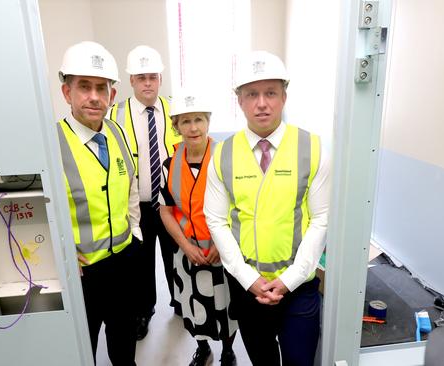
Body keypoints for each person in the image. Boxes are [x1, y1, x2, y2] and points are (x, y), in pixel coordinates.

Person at [204, 51, 331, 366]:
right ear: (240, 101)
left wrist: (290, 279)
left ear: (284, 96)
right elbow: (216, 220)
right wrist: (248, 279)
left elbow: (321, 219)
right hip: (248, 287)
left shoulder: (312, 148)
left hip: (298, 288)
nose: (262, 102)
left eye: (271, 92)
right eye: (252, 94)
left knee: (299, 362)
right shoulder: (223, 155)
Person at [56, 41, 141, 366]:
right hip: (81, 271)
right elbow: (44, 207)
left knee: (123, 342)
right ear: (67, 93)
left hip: (122, 260)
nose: (94, 96)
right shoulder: (52, 142)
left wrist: (134, 230)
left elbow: (131, 186)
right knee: (83, 346)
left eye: (101, 88)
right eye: (84, 87)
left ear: (112, 95)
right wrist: (62, 252)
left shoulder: (117, 132)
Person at [158, 90, 239, 366]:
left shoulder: (226, 159)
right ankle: (202, 348)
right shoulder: (169, 165)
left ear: (208, 122)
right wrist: (185, 246)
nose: (193, 127)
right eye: (186, 121)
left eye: (199, 120)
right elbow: (166, 211)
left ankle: (228, 350)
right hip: (188, 253)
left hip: (222, 251)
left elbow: (240, 208)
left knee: (226, 306)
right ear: (176, 126)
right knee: (193, 305)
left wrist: (221, 245)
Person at [110, 45, 182, 340]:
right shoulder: (115, 114)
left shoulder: (175, 110)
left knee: (174, 255)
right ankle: (145, 310)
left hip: (169, 203)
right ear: (131, 81)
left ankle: (181, 302)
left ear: (160, 78)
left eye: (152, 76)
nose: (148, 83)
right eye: (141, 78)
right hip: (136, 206)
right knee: (140, 262)